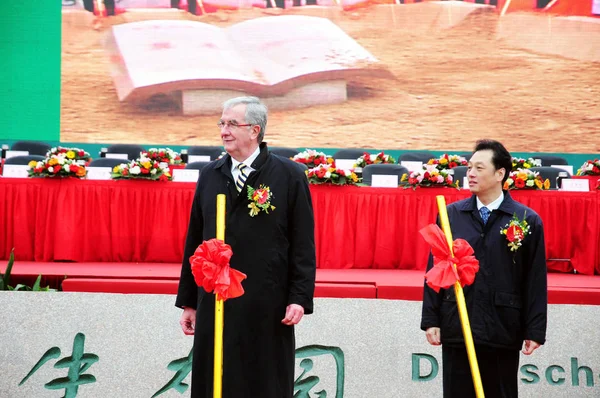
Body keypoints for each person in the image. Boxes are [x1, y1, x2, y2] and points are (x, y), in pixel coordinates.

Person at [176, 96, 316, 398]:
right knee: (216, 376)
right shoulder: (210, 174)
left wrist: (299, 298)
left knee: (263, 379)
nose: (224, 131)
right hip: (215, 297)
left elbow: (303, 243)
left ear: (255, 130)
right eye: (221, 124)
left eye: (232, 124)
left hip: (267, 299)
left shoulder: (289, 175)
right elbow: (195, 239)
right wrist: (189, 299)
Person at [421, 139, 547, 398]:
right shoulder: (451, 215)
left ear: (500, 173)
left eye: (479, 168)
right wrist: (431, 319)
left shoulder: (526, 219)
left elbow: (534, 279)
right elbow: (437, 269)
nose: (470, 174)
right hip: (459, 323)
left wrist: (534, 330)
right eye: (469, 168)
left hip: (502, 326)